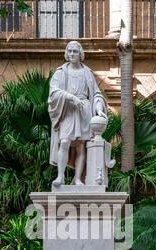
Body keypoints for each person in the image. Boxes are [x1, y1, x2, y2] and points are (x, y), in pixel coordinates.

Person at [48, 41, 107, 187]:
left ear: (80, 54)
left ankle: (78, 178)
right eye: (70, 51)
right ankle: (60, 177)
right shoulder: (61, 72)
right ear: (66, 54)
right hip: (67, 109)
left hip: (84, 110)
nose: (72, 54)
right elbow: (53, 92)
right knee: (65, 141)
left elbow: (96, 94)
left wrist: (99, 108)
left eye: (75, 51)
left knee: (81, 145)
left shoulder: (87, 72)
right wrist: (70, 97)